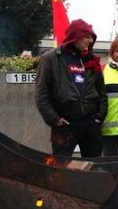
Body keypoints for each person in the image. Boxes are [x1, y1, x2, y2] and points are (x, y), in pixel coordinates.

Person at [35, 19, 106, 157]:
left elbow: (102, 92)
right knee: (60, 169)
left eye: (91, 37)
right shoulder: (50, 58)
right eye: (87, 36)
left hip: (91, 124)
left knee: (93, 168)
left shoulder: (92, 60)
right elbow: (41, 94)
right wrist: (55, 119)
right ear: (75, 36)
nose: (90, 41)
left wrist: (99, 117)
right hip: (64, 125)